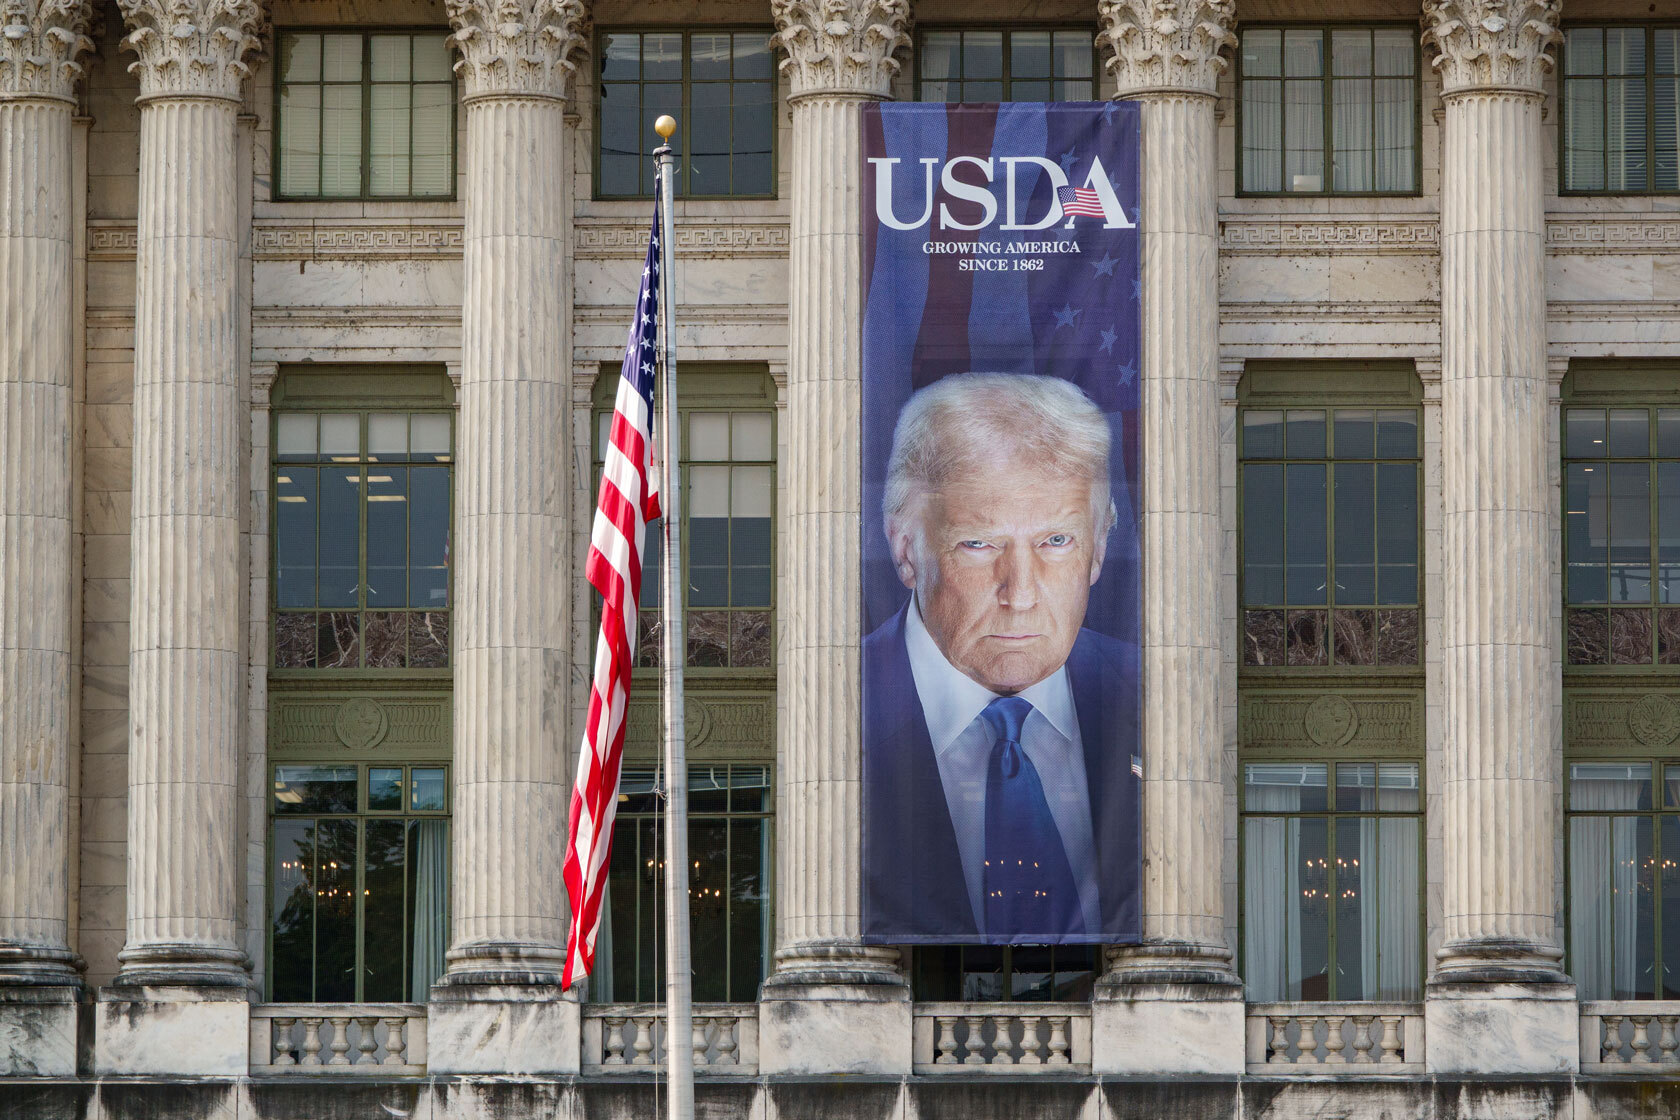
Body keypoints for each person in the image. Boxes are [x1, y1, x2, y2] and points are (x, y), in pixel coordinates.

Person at [862, 372, 1140, 944]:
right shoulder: (842, 697)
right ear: (905, 548)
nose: (1021, 593)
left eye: (1056, 541)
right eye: (979, 543)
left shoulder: (1151, 694)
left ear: (1099, 550)